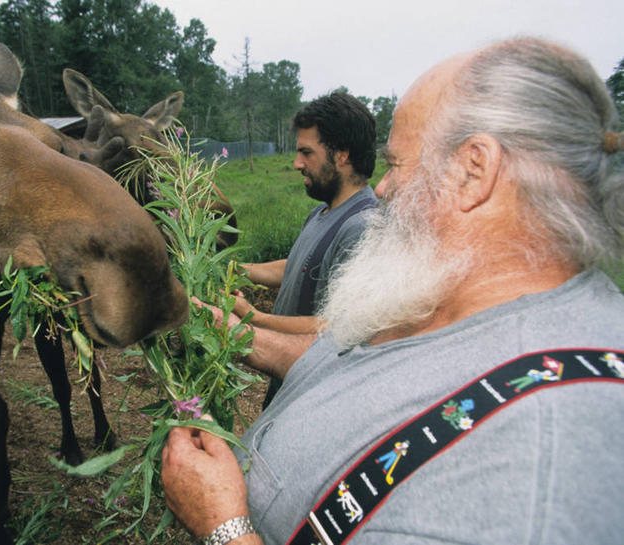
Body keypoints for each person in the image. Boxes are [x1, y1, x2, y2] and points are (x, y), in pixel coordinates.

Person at [161, 37, 624, 545]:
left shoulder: (536, 473)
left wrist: (223, 525)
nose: (382, 188)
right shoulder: (451, 292)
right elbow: (349, 366)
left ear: (474, 170)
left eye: (398, 164)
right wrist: (230, 331)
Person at [236, 92, 378, 406]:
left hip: (316, 391)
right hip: (292, 376)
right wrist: (239, 270)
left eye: (306, 152)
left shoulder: (362, 226)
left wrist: (253, 318)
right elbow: (301, 266)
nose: (297, 163)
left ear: (341, 155)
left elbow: (340, 327)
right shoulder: (323, 213)